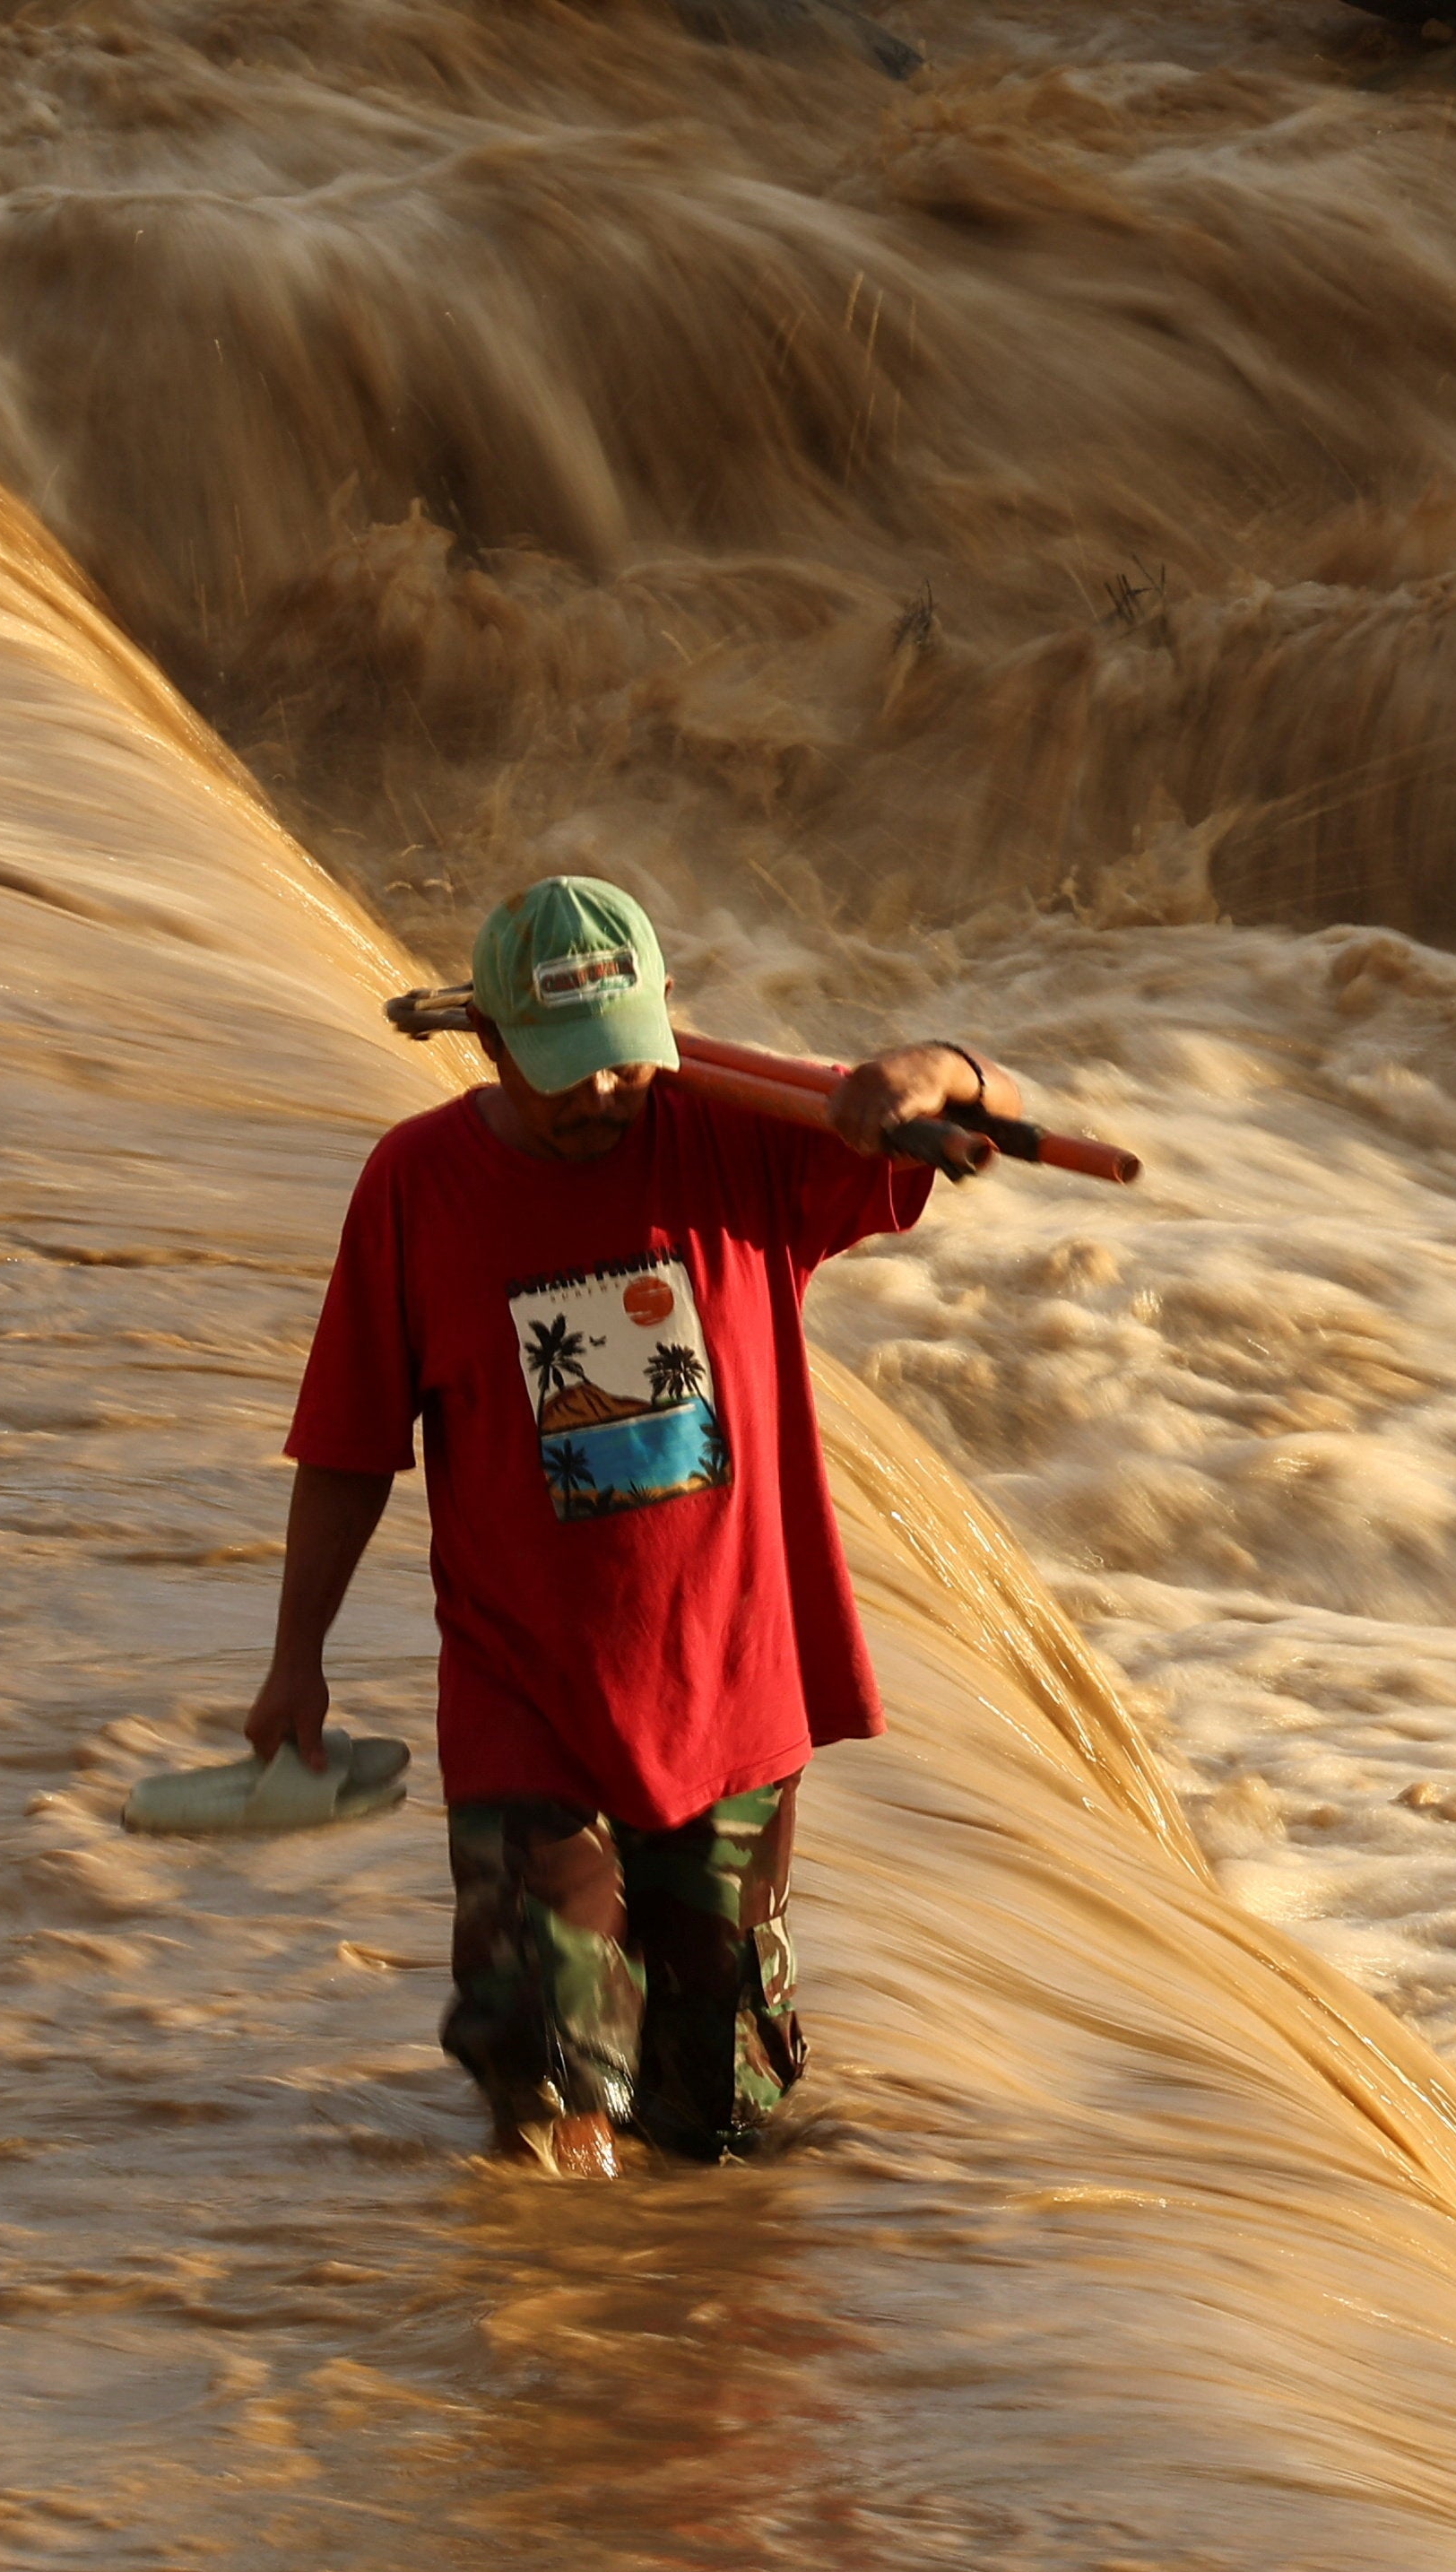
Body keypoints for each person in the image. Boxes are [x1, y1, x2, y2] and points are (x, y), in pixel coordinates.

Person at [247, 876, 1018, 2175]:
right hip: (524, 1693)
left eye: (619, 1064)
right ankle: (552, 2335)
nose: (600, 1097)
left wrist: (931, 1066)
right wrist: (294, 1655)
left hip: (728, 1690)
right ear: (489, 1044)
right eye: (561, 1072)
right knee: (540, 2071)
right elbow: (347, 1446)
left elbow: (961, 1104)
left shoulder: (743, 1143)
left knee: (716, 2123)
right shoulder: (418, 1187)